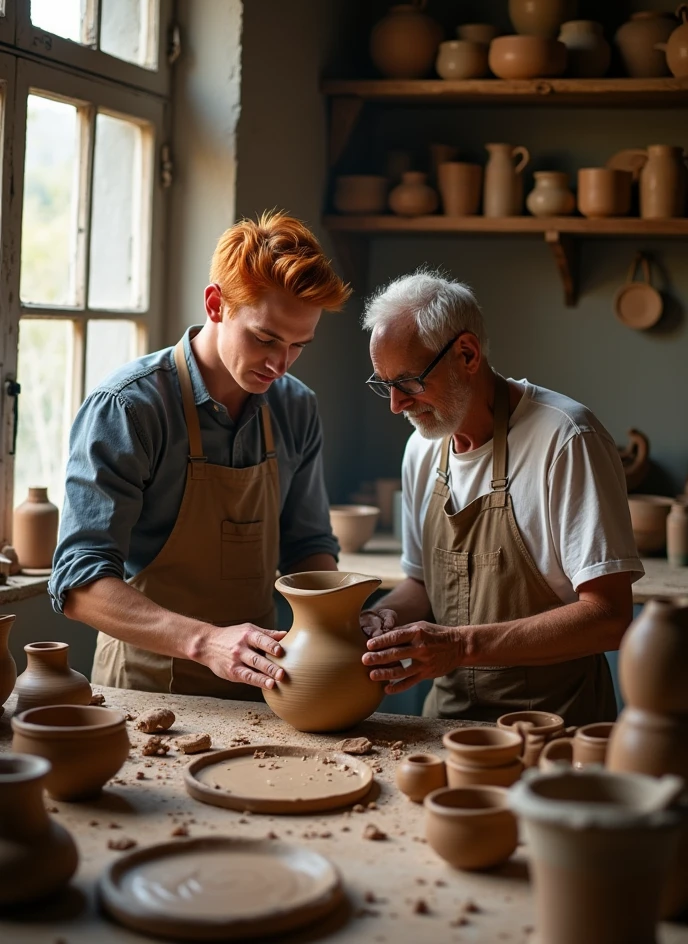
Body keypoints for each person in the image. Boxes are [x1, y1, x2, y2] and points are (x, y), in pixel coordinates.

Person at [49, 212, 356, 700]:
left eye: (299, 346)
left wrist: (337, 625)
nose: (280, 364)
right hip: (145, 688)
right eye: (265, 338)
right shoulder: (128, 408)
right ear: (217, 304)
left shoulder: (295, 406)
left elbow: (307, 546)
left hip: (262, 683)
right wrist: (206, 642)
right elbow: (79, 582)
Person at [359, 270, 643, 724]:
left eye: (408, 382)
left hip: (554, 730)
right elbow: (421, 584)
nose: (396, 405)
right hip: (447, 724)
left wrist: (460, 647)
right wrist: (382, 619)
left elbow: (609, 617)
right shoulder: (422, 447)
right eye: (383, 384)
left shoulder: (565, 439)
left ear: (467, 354)